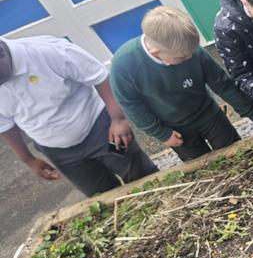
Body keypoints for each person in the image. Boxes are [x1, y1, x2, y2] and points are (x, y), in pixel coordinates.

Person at [111, 6, 253, 162]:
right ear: (156, 52)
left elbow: (222, 84)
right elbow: (131, 104)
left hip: (209, 114)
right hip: (175, 128)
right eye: (181, 57)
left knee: (238, 153)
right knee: (201, 164)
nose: (189, 58)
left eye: (192, 52)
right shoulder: (124, 65)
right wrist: (161, 133)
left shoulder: (192, 51)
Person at [0, 36, 157, 197]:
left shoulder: (48, 51)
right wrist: (28, 159)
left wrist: (118, 119)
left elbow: (99, 76)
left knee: (141, 175)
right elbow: (4, 125)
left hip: (103, 132)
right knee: (100, 196)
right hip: (60, 153)